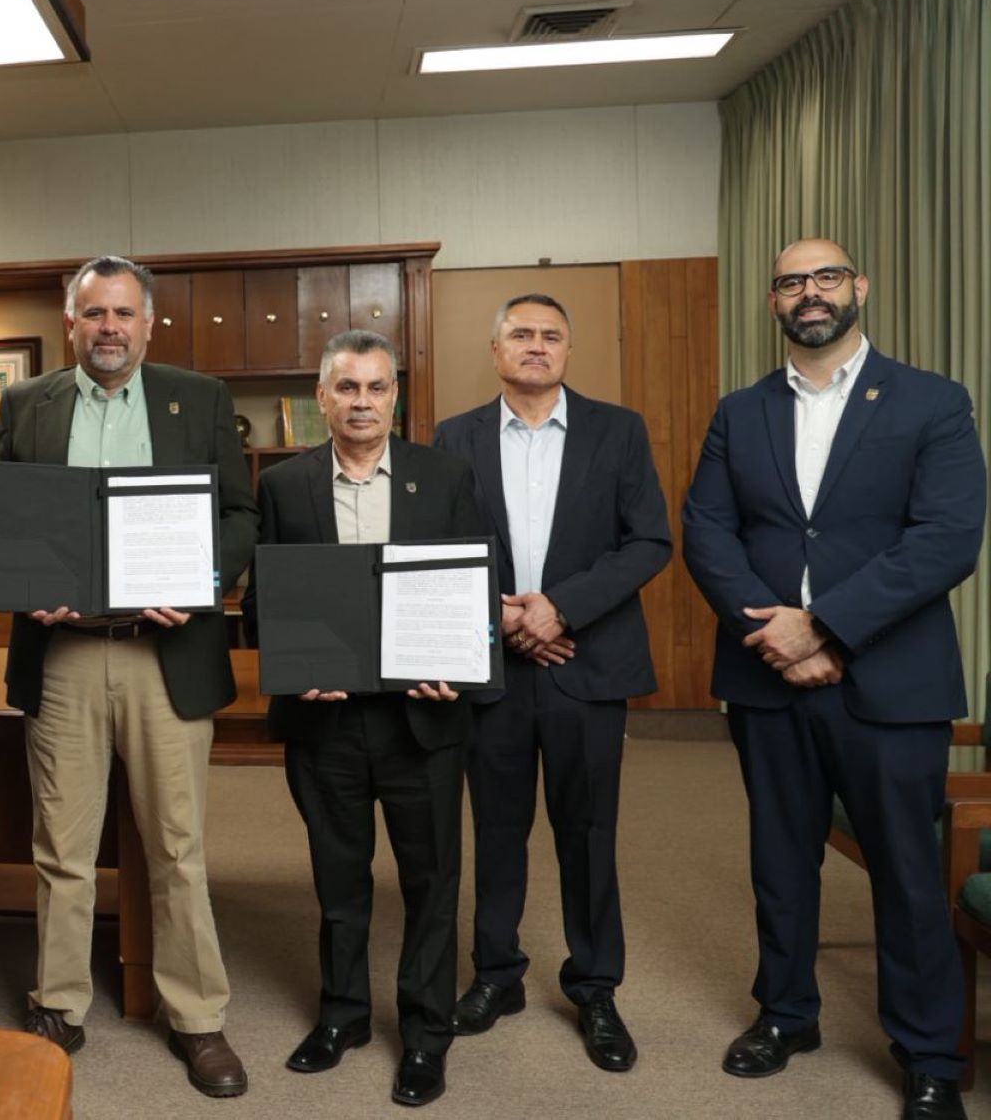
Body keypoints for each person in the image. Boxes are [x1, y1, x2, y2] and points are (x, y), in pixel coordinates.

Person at [682, 238, 984, 1120]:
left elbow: (946, 537)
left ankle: (930, 1049)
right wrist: (776, 632)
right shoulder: (740, 412)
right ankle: (786, 1014)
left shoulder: (933, 400)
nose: (808, 293)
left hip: (892, 681)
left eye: (825, 277)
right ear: (772, 301)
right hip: (768, 676)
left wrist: (826, 623)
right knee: (780, 860)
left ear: (859, 287)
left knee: (907, 871)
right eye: (790, 282)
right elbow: (708, 531)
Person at [0, 254, 257, 1099]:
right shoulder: (29, 404)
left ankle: (196, 1015)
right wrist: (30, 588)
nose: (109, 328)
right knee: (62, 846)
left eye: (124, 314)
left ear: (149, 324)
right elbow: (7, 518)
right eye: (94, 314)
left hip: (164, 653)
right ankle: (59, 1003)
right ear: (71, 323)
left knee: (176, 845)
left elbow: (240, 515)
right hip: (64, 654)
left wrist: (200, 579)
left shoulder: (198, 398)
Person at [245, 329, 487, 1108]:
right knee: (340, 880)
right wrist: (295, 664)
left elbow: (477, 586)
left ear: (395, 397)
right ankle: (343, 1015)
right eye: (346, 388)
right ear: (322, 398)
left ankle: (425, 1033)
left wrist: (460, 666)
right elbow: (264, 602)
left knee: (430, 880)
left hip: (422, 721)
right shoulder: (285, 485)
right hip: (328, 724)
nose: (361, 402)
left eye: (376, 387)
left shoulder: (442, 475)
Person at [431, 295, 670, 1072]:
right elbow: (439, 547)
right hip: (495, 665)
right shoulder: (453, 437)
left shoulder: (619, 429)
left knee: (588, 833)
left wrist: (560, 607)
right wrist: (502, 615)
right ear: (494, 347)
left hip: (586, 665)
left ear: (568, 350)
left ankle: (596, 986)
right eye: (522, 335)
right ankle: (496, 975)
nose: (536, 347)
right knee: (496, 831)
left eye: (551, 336)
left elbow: (649, 541)